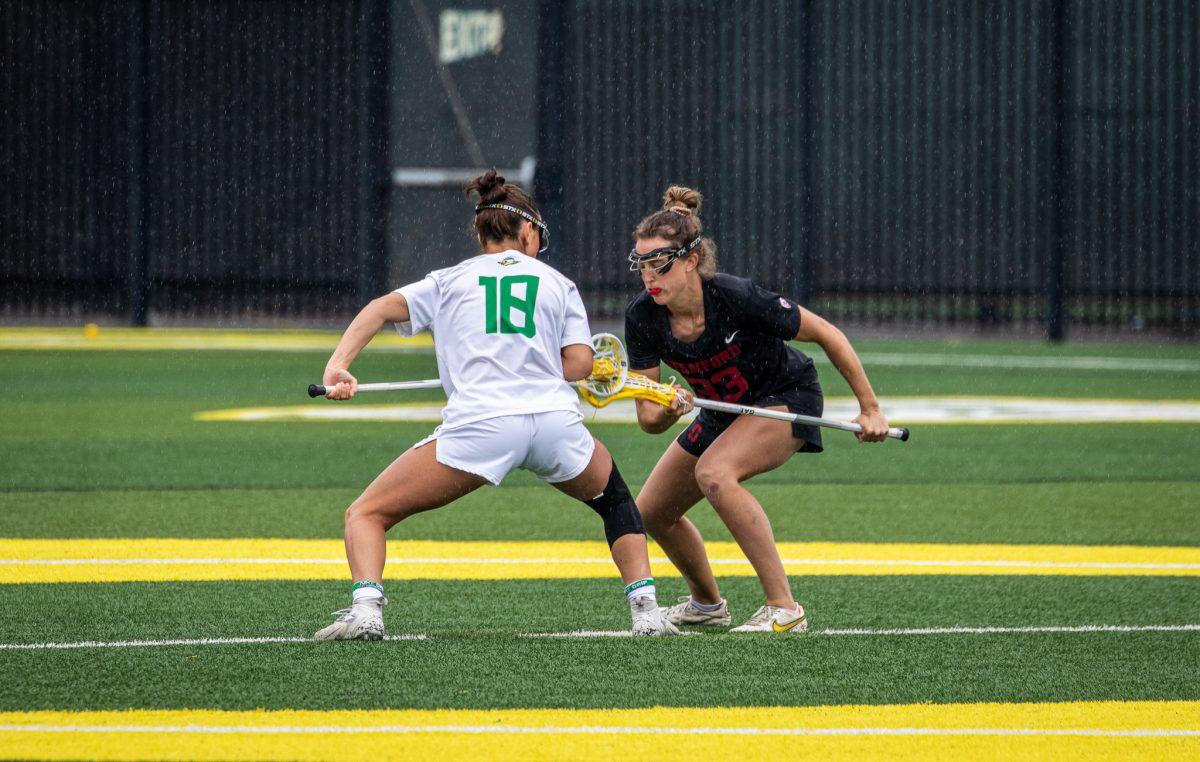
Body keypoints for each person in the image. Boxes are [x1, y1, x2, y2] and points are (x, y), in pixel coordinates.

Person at [313, 170, 678, 640]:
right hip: (553, 426)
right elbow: (579, 365)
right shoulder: (558, 283)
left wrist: (338, 367)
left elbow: (380, 308)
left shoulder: (447, 281)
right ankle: (646, 611)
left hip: (481, 426)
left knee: (366, 513)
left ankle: (366, 610)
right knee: (616, 503)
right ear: (527, 230)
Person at [624, 185, 890, 634]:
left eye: (660, 264)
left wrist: (870, 408)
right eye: (642, 265)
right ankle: (707, 605)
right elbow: (649, 420)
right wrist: (670, 406)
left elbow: (827, 333)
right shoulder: (643, 318)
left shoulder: (735, 297)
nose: (650, 276)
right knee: (651, 511)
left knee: (714, 473)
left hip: (785, 396)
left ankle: (785, 607)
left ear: (691, 260)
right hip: (723, 412)